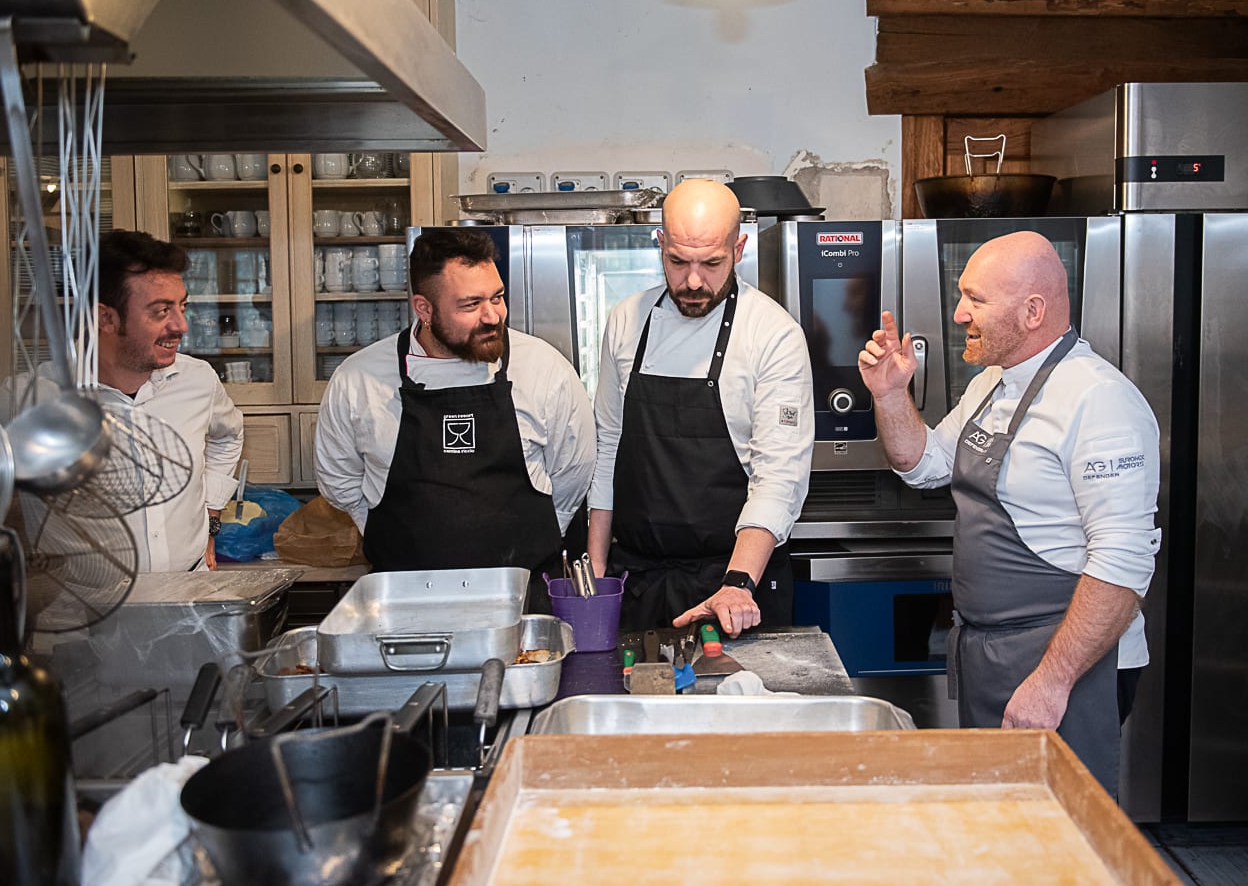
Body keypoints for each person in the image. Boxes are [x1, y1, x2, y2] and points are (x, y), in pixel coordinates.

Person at [857, 230, 1159, 796]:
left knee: (1064, 836)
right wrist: (891, 396)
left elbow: (1122, 565)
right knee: (1004, 822)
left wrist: (1050, 681)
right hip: (990, 654)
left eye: (975, 299)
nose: (957, 313)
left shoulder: (1100, 401)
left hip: (1066, 665)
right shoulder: (992, 385)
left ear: (1032, 311)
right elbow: (920, 465)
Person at [314, 227, 594, 615]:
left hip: (522, 604)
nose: (492, 315)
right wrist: (394, 539)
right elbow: (339, 481)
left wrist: (533, 542)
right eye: (470, 304)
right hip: (403, 604)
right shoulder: (358, 380)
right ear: (424, 309)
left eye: (497, 297)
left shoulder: (545, 370)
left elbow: (573, 474)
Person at [587, 179, 813, 636]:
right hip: (638, 581)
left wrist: (737, 583)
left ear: (739, 248)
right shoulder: (628, 320)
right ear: (660, 245)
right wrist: (595, 574)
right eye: (677, 261)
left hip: (733, 585)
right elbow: (608, 445)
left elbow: (779, 477)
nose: (693, 281)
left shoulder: (772, 335)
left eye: (711, 263)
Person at [0, 230, 245, 572]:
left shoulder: (198, 380)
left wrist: (212, 513)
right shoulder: (30, 398)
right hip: (86, 615)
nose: (181, 326)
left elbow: (229, 435)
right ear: (106, 318)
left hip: (189, 598)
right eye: (161, 311)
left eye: (182, 306)